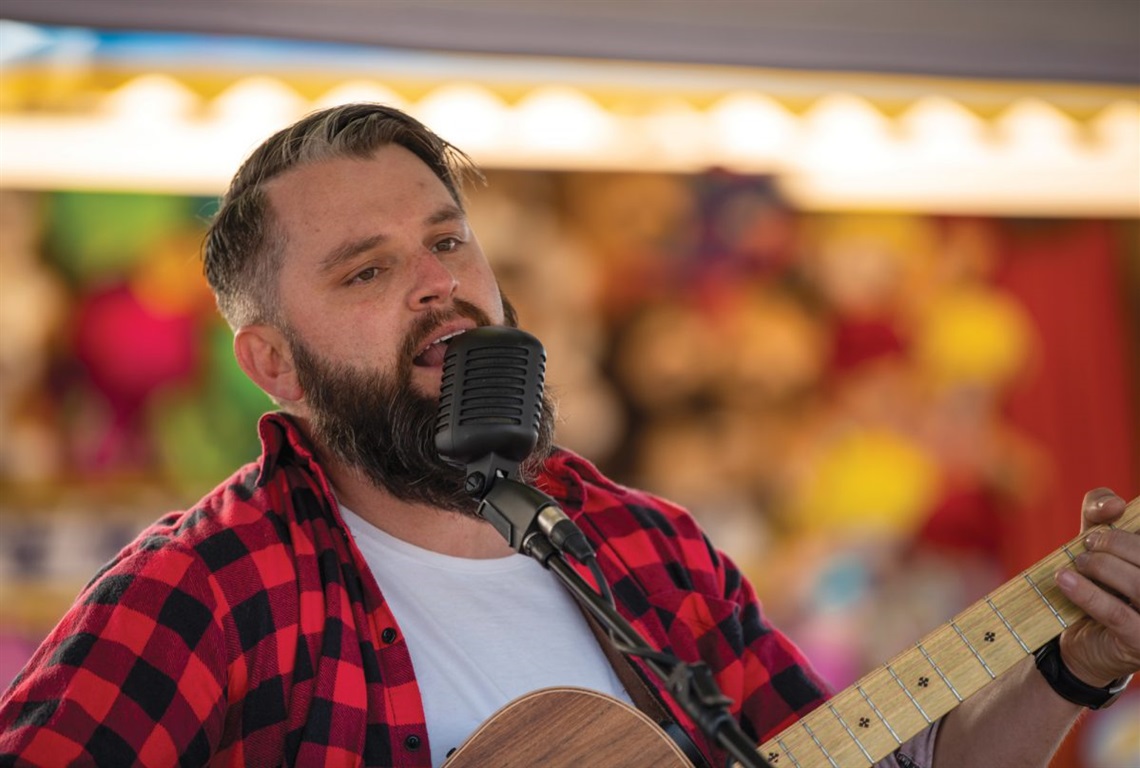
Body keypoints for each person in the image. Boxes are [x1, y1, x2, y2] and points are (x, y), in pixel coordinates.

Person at [0, 103, 1136, 768]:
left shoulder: (647, 549)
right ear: (274, 363)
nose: (438, 286)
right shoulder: (203, 589)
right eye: (369, 269)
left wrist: (1077, 662)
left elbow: (853, 755)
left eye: (447, 242)